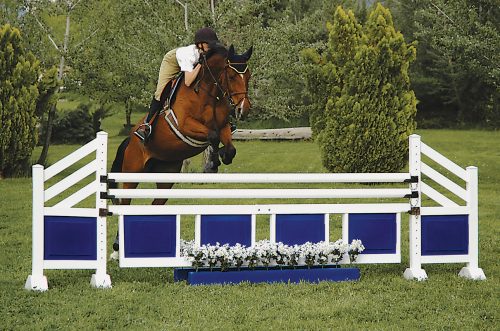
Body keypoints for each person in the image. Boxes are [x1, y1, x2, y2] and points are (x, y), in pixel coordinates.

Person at [134, 27, 219, 141]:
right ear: (200, 45)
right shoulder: (189, 55)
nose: (211, 47)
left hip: (193, 63)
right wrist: (200, 64)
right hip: (172, 61)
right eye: (209, 44)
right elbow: (188, 82)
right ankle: (146, 126)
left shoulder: (208, 52)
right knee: (160, 92)